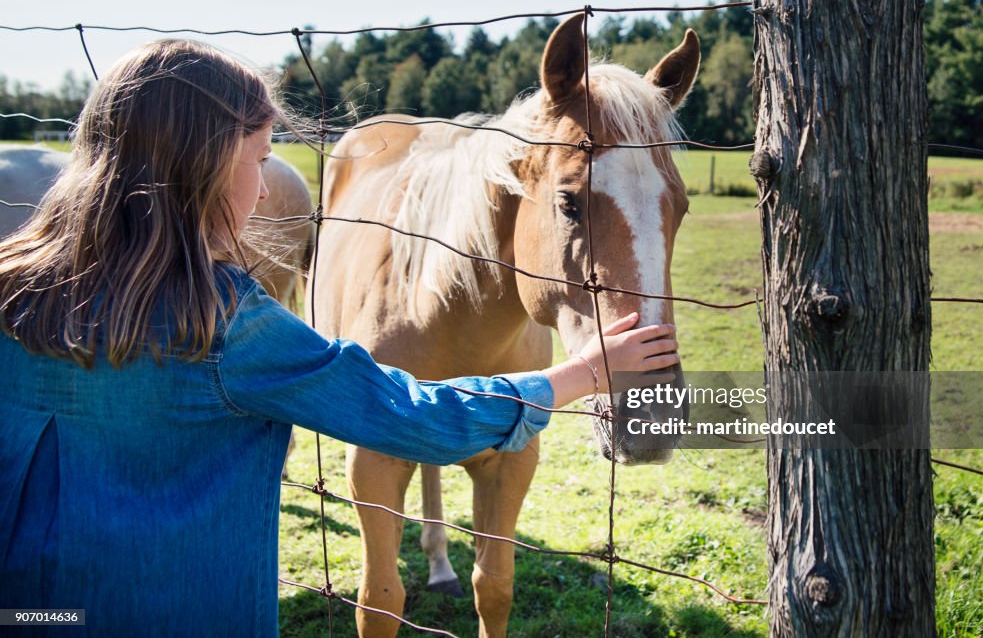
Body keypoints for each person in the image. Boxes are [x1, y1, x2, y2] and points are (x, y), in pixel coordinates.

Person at [0, 39, 680, 636]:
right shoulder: (230, 322)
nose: (267, 193)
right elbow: (411, 415)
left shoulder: (11, 289)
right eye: (260, 160)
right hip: (190, 610)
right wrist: (584, 373)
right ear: (198, 170)